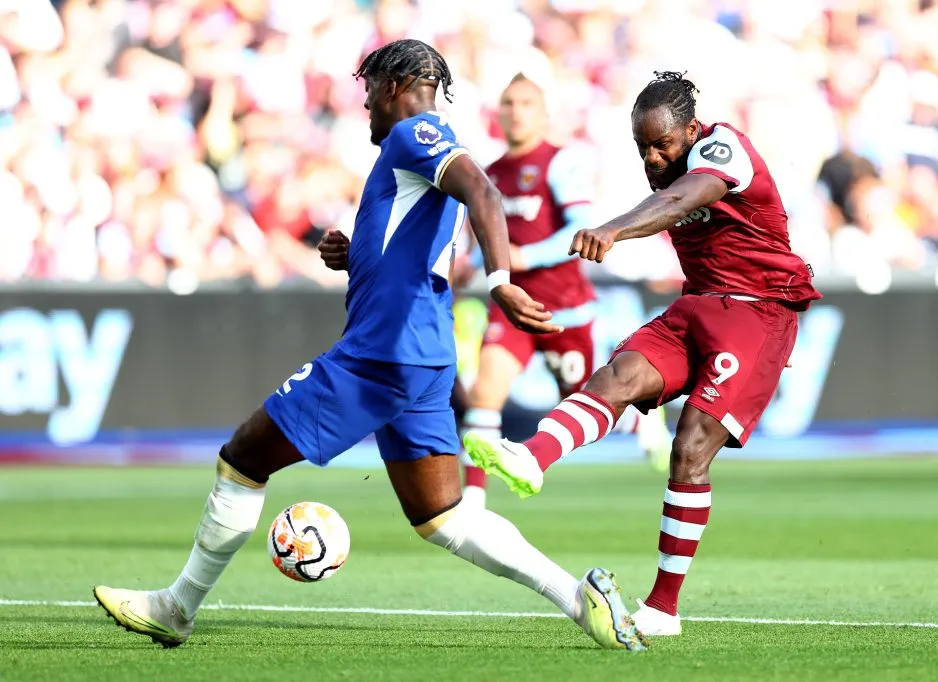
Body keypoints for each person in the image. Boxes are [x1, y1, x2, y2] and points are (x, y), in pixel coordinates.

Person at [93, 40, 647, 653]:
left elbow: (485, 195)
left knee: (243, 457)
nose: (363, 106)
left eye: (368, 91)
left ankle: (176, 608)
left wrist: (500, 283)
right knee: (444, 517)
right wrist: (350, 254)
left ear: (394, 85)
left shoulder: (417, 133)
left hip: (383, 352)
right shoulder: (422, 147)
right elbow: (421, 248)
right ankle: (580, 599)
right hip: (423, 355)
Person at [464, 71, 820, 635]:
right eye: (642, 148)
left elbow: (684, 198)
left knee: (691, 447)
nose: (654, 159)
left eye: (663, 144)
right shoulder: (667, 165)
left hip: (757, 313)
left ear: (692, 130)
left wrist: (613, 229)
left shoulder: (724, 148)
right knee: (617, 376)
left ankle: (662, 608)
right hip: (699, 305)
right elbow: (671, 195)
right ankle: (532, 457)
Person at [455, 73, 672, 508]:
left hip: (563, 310)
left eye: (526, 104)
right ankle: (472, 505)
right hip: (514, 308)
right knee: (484, 396)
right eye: (508, 104)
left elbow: (579, 229)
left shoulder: (560, 162)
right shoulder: (490, 174)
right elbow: (491, 242)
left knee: (583, 404)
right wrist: (470, 266)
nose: (516, 112)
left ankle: (640, 424)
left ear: (543, 114)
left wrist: (526, 257)